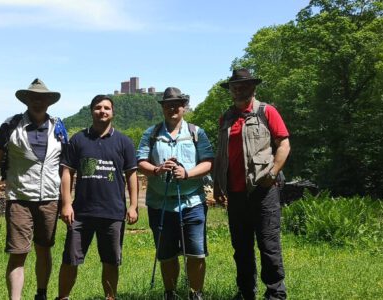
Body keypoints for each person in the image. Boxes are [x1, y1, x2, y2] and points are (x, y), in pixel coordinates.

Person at [213, 69, 291, 300]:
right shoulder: (225, 117)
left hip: (263, 190)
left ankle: (275, 293)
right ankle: (246, 292)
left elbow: (284, 144)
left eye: (244, 85)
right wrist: (218, 186)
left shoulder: (267, 112)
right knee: (241, 248)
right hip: (236, 194)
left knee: (268, 245)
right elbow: (221, 155)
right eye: (235, 86)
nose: (238, 89)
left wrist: (274, 172)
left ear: (253, 88)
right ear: (230, 90)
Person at [0, 78, 65, 300]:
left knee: (44, 249)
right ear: (27, 99)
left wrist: (68, 200)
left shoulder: (59, 126)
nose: (38, 101)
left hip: (49, 198)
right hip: (18, 198)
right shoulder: (11, 125)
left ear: (49, 102)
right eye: (34, 97)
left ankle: (42, 294)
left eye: (42, 98)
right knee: (18, 253)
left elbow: (66, 167)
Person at [57, 95, 138, 300]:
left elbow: (132, 175)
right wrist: (66, 204)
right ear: (91, 111)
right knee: (70, 259)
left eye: (107, 108)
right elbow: (67, 172)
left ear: (113, 113)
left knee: (111, 261)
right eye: (98, 107)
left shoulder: (124, 141)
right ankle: (63, 297)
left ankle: (110, 298)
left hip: (113, 212)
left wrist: (133, 205)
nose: (102, 111)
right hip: (81, 213)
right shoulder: (78, 140)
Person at [137, 87, 214, 300]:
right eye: (168, 104)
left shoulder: (196, 132)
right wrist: (157, 169)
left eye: (177, 104)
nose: (173, 107)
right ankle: (170, 294)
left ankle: (195, 294)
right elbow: (140, 161)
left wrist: (187, 173)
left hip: (193, 203)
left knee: (196, 253)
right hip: (160, 204)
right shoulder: (151, 134)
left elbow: (208, 162)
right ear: (162, 107)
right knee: (166, 255)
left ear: (184, 107)